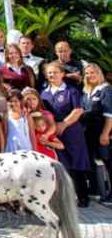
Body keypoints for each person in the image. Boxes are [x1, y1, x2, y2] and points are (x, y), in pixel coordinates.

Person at [41, 61, 90, 206]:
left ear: (62, 74)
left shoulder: (71, 90)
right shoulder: (44, 93)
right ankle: (65, 197)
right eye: (49, 73)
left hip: (72, 131)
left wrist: (64, 124)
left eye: (55, 72)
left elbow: (78, 110)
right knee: (61, 165)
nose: (52, 75)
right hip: (54, 133)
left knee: (76, 164)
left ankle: (83, 197)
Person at [81, 63, 112, 202]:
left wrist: (105, 133)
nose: (90, 75)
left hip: (102, 131)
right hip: (88, 133)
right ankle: (95, 190)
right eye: (87, 73)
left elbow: (109, 115)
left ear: (99, 73)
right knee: (91, 161)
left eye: (93, 72)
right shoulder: (86, 91)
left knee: (108, 161)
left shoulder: (106, 90)